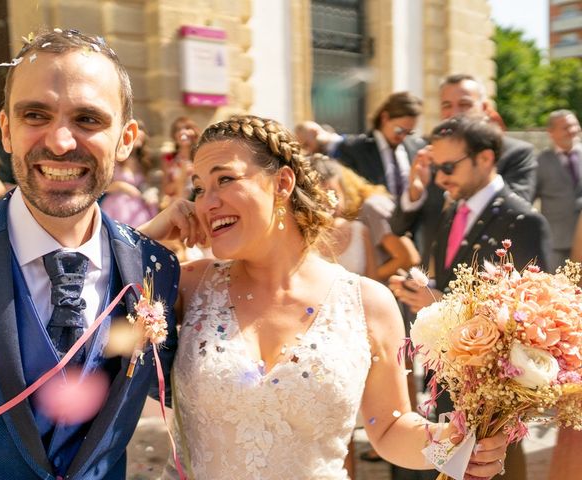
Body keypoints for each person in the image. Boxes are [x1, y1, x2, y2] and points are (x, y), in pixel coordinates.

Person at [139, 114, 508, 480]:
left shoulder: (368, 304)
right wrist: (145, 239)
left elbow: (390, 430)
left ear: (282, 182)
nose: (206, 203)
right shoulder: (187, 285)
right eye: (199, 188)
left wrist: (458, 443)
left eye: (225, 180)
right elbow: (93, 311)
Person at [0, 28, 179, 480]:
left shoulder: (157, 268)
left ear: (126, 138)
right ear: (7, 129)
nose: (61, 142)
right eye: (36, 115)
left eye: (88, 119)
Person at [389, 114, 552, 480]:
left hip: (494, 389)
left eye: (449, 165)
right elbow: (453, 280)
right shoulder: (454, 207)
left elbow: (533, 318)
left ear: (485, 158)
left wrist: (440, 305)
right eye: (436, 166)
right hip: (450, 372)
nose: (441, 176)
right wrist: (425, 289)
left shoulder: (522, 219)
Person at [390, 74, 538, 266]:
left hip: (483, 278)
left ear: (484, 108)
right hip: (429, 280)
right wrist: (415, 193)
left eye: (465, 104)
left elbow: (515, 217)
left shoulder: (516, 153)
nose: (455, 113)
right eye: (447, 105)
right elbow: (398, 228)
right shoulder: (425, 153)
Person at [336, 91, 426, 199]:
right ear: (385, 118)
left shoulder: (415, 148)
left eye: (409, 132)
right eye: (399, 130)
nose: (403, 137)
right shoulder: (354, 149)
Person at [533, 109, 582, 271]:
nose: (573, 131)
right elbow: (528, 199)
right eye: (566, 127)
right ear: (551, 132)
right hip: (557, 244)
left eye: (575, 125)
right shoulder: (540, 162)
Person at [100, 119, 160, 228]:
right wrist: (122, 186)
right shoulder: (115, 158)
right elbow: (102, 187)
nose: (139, 143)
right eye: (137, 138)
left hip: (138, 208)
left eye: (141, 140)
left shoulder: (142, 162)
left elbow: (143, 186)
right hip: (116, 207)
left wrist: (149, 194)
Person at [161, 116, 200, 203]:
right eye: (178, 129)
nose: (182, 132)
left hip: (197, 204)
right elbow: (167, 190)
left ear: (195, 132)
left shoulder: (201, 157)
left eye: (187, 128)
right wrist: (181, 177)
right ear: (174, 135)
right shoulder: (169, 158)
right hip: (177, 205)